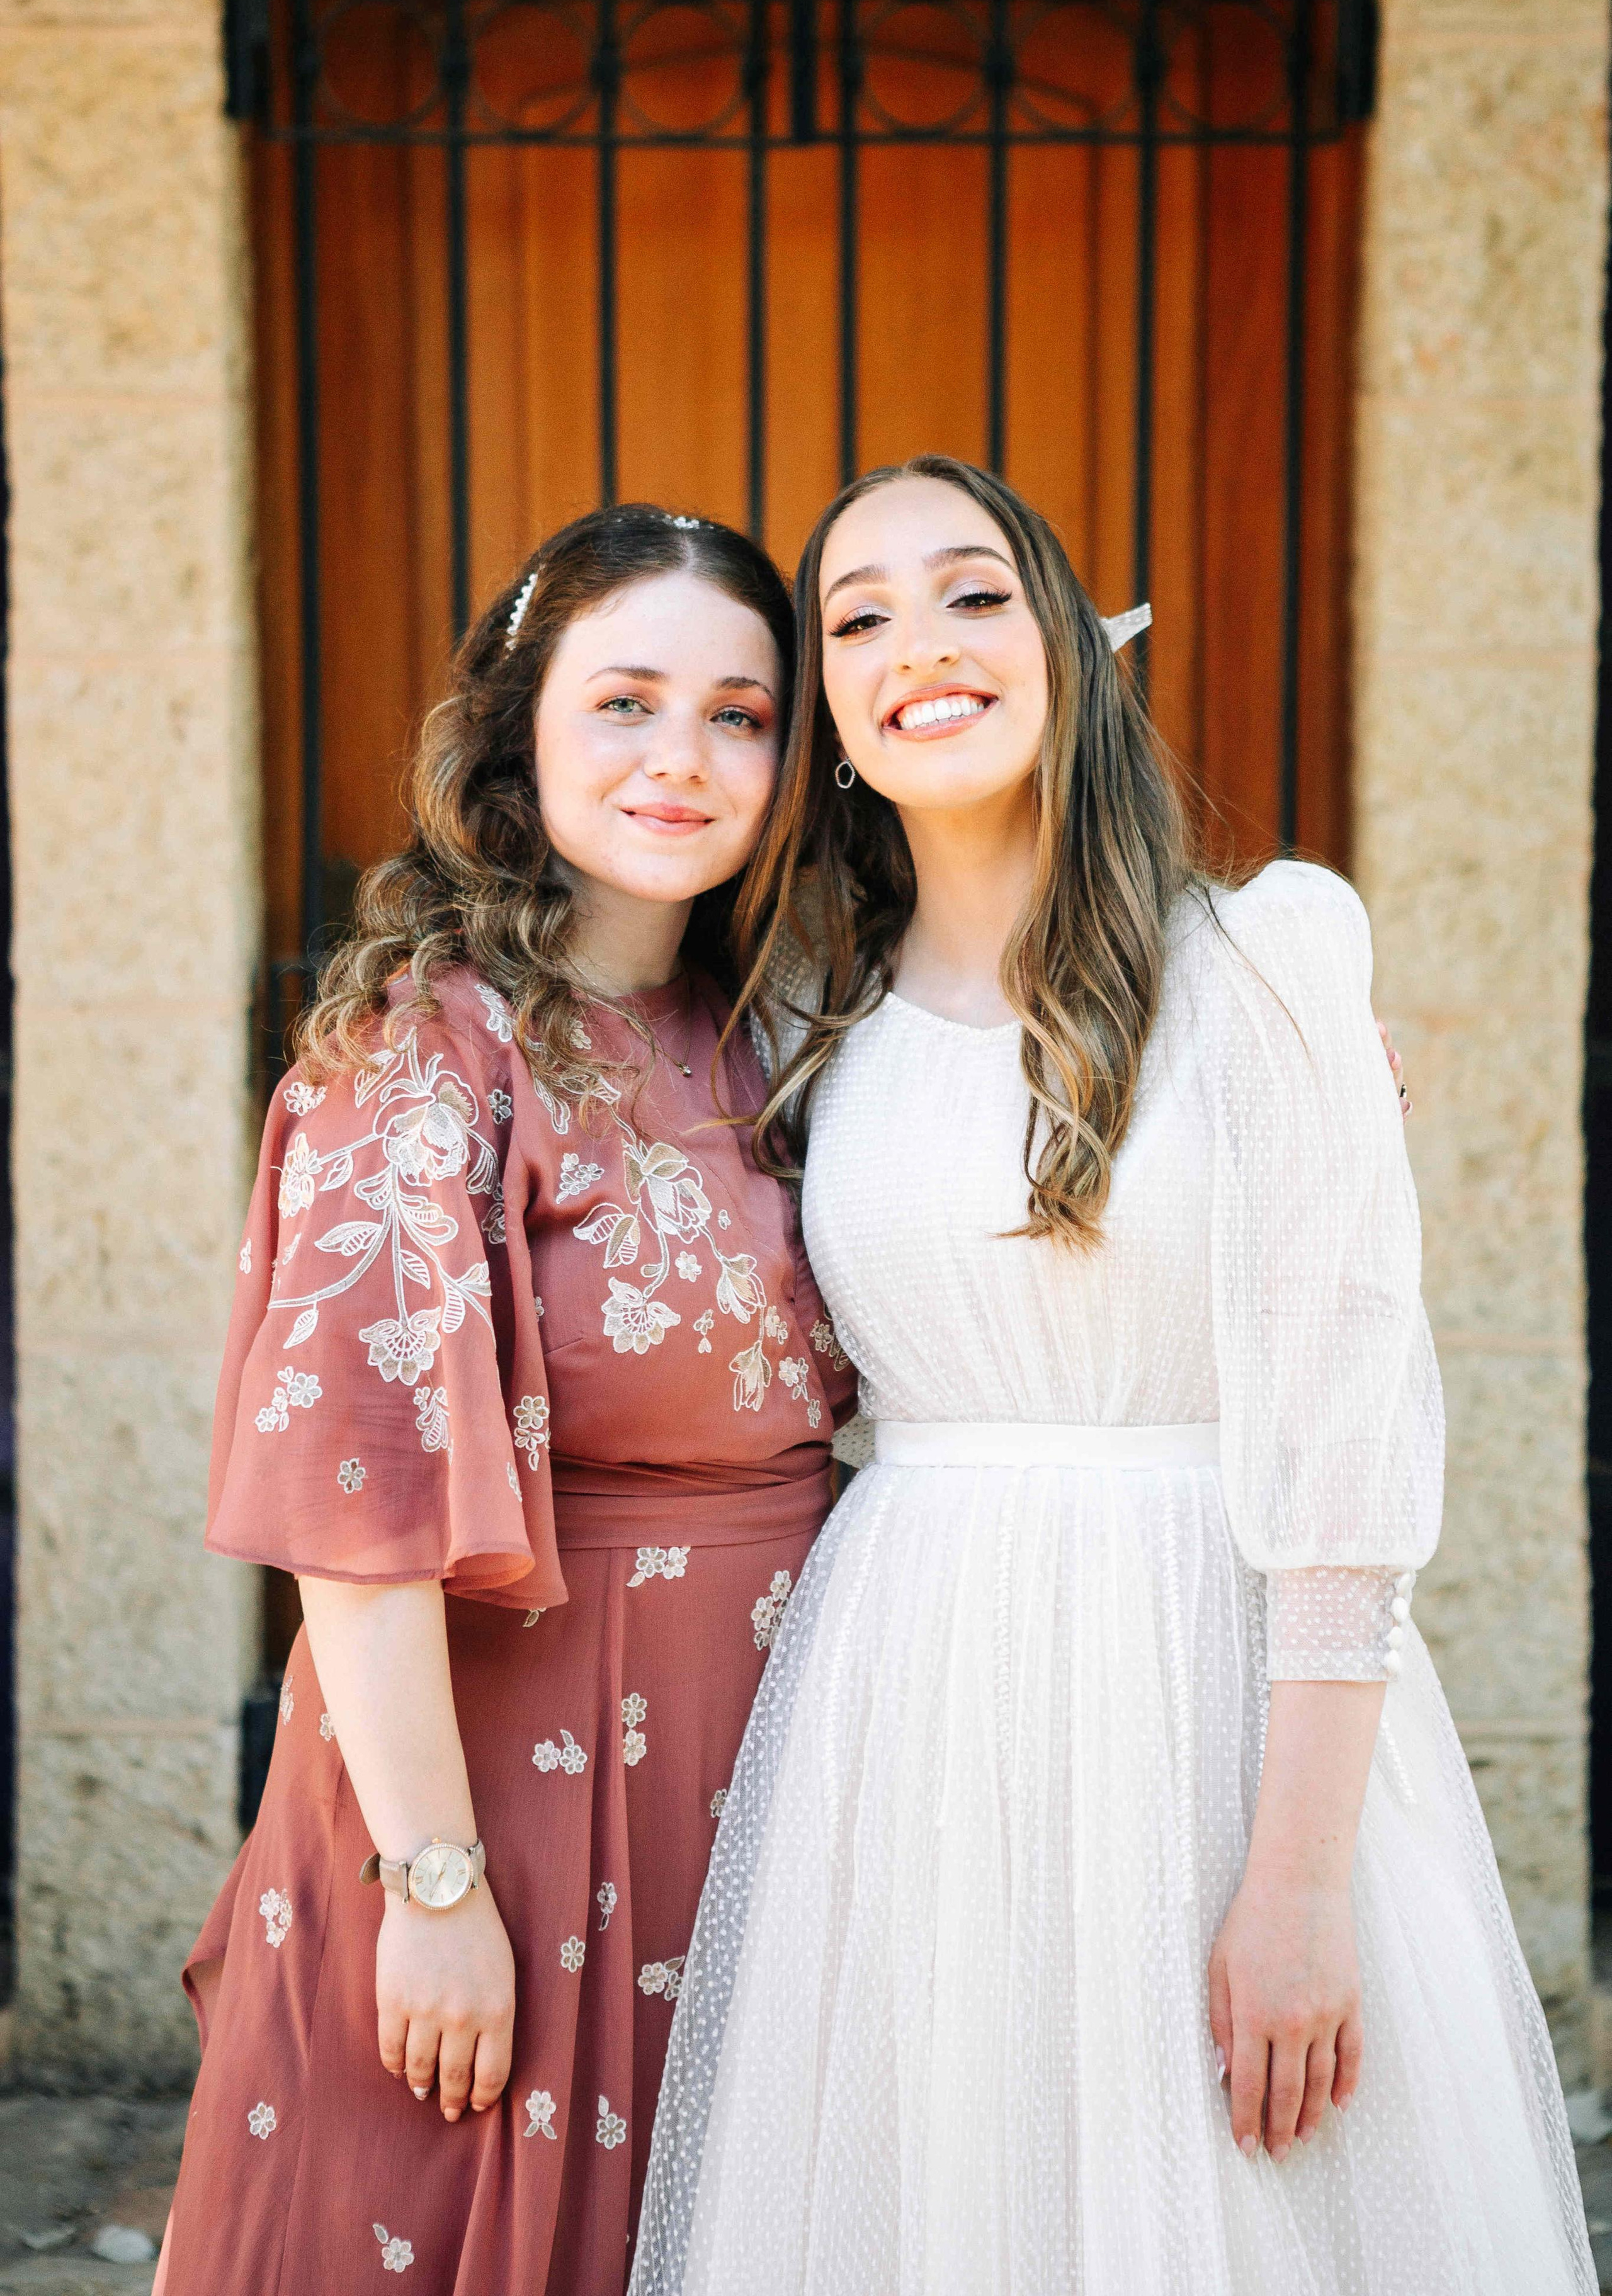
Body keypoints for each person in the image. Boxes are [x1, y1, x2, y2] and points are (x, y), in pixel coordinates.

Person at [630, 457, 1594, 2295]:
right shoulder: (801, 1015)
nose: (923, 641)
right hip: (903, 1711)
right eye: (860, 615)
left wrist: (1300, 1881)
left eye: (974, 591)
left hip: (1207, 1691)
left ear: (1068, 642)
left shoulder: (1266, 964)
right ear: (825, 713)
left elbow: (1343, 1443)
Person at [154, 506, 855, 2296]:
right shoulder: (426, 1050)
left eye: (740, 715)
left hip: (765, 1782)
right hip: (504, 1806)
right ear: (519, 727)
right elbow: (352, 1508)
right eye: (626, 701)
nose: (682, 760)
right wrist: (437, 1891)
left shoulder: (765, 1031)